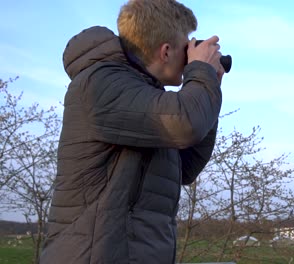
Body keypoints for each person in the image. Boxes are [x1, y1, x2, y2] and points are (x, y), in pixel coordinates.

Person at [40, 0, 223, 263]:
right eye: (187, 46)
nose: (190, 56)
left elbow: (187, 166)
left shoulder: (146, 100)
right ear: (166, 51)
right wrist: (200, 73)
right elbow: (187, 125)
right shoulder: (101, 83)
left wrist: (209, 88)